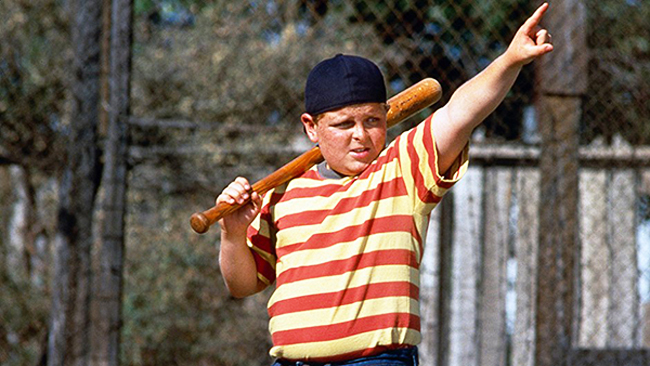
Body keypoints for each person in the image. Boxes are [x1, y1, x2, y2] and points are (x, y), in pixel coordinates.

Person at [216, 3, 553, 365]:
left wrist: (510, 60)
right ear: (311, 127)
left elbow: (460, 113)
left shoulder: (402, 170)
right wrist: (233, 234)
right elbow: (242, 284)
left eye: (373, 121)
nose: (361, 136)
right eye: (344, 125)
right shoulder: (283, 195)